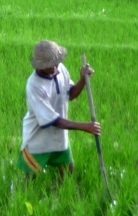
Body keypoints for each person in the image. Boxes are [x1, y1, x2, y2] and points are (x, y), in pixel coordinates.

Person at [18, 40, 101, 178]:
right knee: (30, 179)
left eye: (57, 61)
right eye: (52, 64)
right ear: (42, 66)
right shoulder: (34, 86)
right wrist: (84, 126)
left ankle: (63, 197)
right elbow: (52, 120)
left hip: (59, 138)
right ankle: (24, 199)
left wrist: (83, 80)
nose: (56, 66)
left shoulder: (60, 69)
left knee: (68, 172)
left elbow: (70, 94)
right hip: (37, 139)